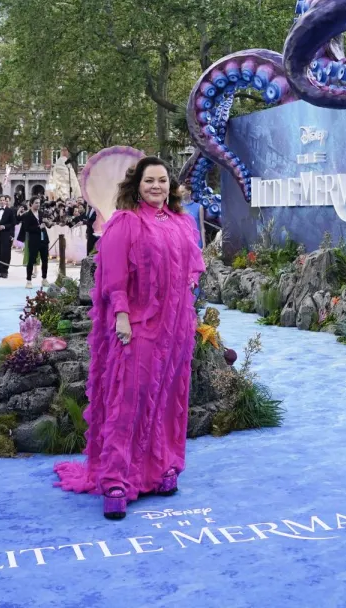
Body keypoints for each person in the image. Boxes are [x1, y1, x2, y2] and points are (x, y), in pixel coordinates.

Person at [53, 157, 205, 520]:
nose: (156, 186)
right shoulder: (125, 222)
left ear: (170, 186)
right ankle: (115, 480)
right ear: (137, 184)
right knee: (129, 399)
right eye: (149, 180)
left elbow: (193, 269)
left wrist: (187, 296)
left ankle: (160, 469)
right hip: (138, 326)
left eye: (162, 180)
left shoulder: (182, 222)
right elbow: (113, 276)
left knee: (167, 396)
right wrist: (121, 315)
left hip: (176, 327)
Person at [18, 196, 51, 287]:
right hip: (33, 240)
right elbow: (27, 228)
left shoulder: (42, 213)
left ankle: (44, 279)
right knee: (31, 260)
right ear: (31, 204)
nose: (38, 205)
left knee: (45, 260)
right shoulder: (27, 215)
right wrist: (38, 227)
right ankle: (29, 280)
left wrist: (47, 222)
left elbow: (48, 225)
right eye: (36, 203)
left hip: (44, 240)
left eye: (39, 203)